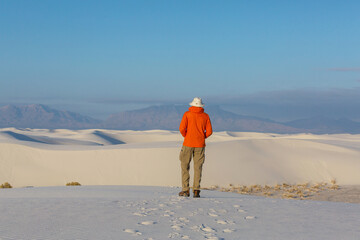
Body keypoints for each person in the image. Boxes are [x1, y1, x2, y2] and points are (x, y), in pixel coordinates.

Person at [178, 97, 213, 198]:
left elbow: (181, 128)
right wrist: (202, 137)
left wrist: (187, 136)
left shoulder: (187, 114)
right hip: (200, 145)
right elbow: (210, 131)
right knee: (198, 168)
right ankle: (196, 190)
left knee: (185, 167)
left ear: (192, 105)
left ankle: (185, 190)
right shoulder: (205, 116)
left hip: (188, 144)